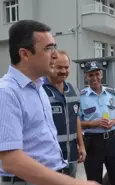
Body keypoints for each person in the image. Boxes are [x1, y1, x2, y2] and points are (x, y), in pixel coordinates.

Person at [0, 20, 97, 185]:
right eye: (48, 48)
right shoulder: (7, 92)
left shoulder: (38, 88)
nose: (55, 54)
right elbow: (11, 160)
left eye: (54, 46)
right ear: (24, 54)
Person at [79, 61, 115, 185]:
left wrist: (114, 121)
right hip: (92, 143)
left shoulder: (111, 94)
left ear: (102, 75)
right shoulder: (81, 97)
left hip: (112, 141)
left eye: (97, 74)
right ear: (86, 76)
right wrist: (94, 123)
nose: (94, 78)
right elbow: (76, 122)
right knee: (94, 180)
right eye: (91, 75)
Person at [42, 50, 86, 178]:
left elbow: (76, 118)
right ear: (50, 66)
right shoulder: (40, 91)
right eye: (59, 67)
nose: (63, 71)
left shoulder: (73, 90)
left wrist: (81, 145)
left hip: (71, 155)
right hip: (49, 158)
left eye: (66, 67)